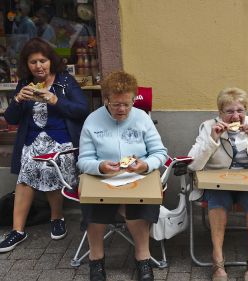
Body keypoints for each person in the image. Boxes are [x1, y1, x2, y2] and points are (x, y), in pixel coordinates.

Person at [0, 37, 89, 253]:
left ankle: (56, 217)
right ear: (27, 65)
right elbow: (11, 119)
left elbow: (81, 109)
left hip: (61, 140)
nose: (39, 66)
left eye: (43, 61)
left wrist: (55, 100)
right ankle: (18, 230)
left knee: (49, 166)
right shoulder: (24, 84)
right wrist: (18, 100)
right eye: (33, 62)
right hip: (31, 141)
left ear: (51, 61)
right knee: (27, 171)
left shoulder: (65, 81)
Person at [77, 71, 168, 281]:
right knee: (93, 205)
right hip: (102, 177)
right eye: (116, 104)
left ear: (133, 99)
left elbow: (160, 153)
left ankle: (143, 258)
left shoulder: (142, 118)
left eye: (127, 104)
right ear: (106, 99)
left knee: (137, 205)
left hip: (137, 176)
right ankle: (96, 259)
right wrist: (100, 166)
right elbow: (84, 159)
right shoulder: (93, 120)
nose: (122, 110)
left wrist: (145, 165)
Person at [188, 87, 248, 281]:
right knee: (217, 197)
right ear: (220, 112)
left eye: (240, 110)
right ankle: (217, 258)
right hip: (219, 183)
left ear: (246, 110)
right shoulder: (208, 126)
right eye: (229, 111)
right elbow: (193, 164)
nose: (235, 116)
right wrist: (212, 140)